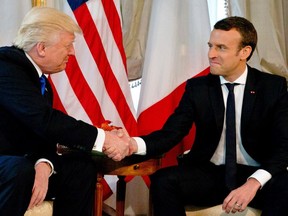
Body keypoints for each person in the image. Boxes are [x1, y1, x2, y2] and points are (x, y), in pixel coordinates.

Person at [128, 16, 288, 215]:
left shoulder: (272, 87)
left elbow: (283, 146)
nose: (211, 54)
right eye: (210, 45)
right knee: (163, 180)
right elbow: (171, 133)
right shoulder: (198, 88)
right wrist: (133, 144)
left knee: (285, 185)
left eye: (221, 48)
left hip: (256, 173)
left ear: (244, 52)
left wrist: (254, 182)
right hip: (209, 173)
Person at [0, 7, 131, 216]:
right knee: (21, 169)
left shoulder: (41, 82)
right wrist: (103, 139)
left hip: (19, 165)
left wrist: (44, 164)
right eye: (68, 45)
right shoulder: (6, 68)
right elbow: (45, 120)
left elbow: (42, 134)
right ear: (41, 48)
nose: (72, 52)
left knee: (80, 168)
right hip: (10, 166)